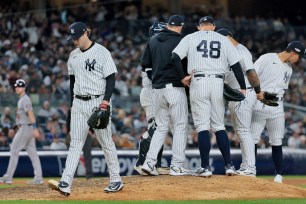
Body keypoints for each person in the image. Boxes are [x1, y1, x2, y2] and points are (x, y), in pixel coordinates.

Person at [48, 22, 123, 196]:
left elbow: (111, 79)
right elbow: (72, 82)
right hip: (79, 103)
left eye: (76, 37)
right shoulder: (73, 56)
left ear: (85, 33)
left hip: (98, 102)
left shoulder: (102, 52)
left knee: (106, 142)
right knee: (75, 143)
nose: (74, 41)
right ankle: (66, 182)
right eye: (72, 38)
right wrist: (72, 102)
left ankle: (116, 179)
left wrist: (106, 101)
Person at [172, 16, 247, 177]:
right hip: (218, 82)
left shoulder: (191, 37)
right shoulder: (223, 39)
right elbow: (235, 65)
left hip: (198, 81)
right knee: (219, 125)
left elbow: (175, 57)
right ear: (213, 26)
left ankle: (205, 167)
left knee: (202, 127)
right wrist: (242, 87)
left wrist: (182, 76)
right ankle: (229, 166)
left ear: (199, 27)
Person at [141, 15, 192, 176]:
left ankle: (149, 163)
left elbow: (145, 64)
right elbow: (184, 64)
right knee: (180, 127)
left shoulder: (153, 40)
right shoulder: (180, 40)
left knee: (161, 127)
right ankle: (176, 165)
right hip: (174, 87)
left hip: (157, 90)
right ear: (180, 26)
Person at [251, 41, 306, 183]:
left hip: (277, 104)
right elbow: (251, 74)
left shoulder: (289, 68)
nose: (299, 60)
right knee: (253, 139)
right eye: (299, 57)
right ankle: (250, 170)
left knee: (277, 140)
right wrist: (256, 92)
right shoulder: (267, 58)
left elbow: (282, 89)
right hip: (260, 102)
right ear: (293, 53)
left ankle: (278, 175)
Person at [216, 28, 262, 177]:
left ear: (226, 37)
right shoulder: (236, 49)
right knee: (242, 131)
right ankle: (246, 166)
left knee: (243, 131)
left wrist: (258, 91)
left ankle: (250, 167)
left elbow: (252, 73)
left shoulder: (240, 51)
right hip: (238, 93)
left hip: (243, 92)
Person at [134, 22, 170, 176]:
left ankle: (156, 164)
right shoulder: (152, 48)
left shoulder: (157, 48)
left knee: (160, 128)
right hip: (151, 93)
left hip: (156, 92)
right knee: (154, 129)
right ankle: (141, 163)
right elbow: (151, 75)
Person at [0, 79, 43, 185]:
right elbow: (23, 117)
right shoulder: (22, 99)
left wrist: (35, 128)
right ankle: (38, 178)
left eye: (20, 86)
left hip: (25, 129)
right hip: (25, 127)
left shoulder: (25, 99)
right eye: (16, 86)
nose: (17, 88)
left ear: (24, 88)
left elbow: (31, 114)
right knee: (33, 154)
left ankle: (8, 177)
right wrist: (14, 127)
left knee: (14, 150)